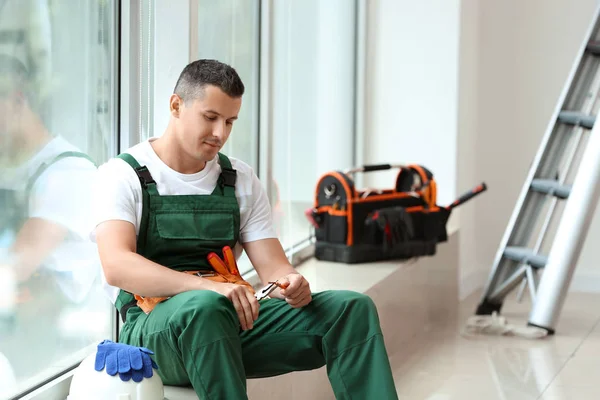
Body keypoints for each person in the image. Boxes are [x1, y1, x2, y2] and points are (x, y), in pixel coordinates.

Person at [92, 59, 399, 399]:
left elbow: (274, 268)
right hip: (154, 337)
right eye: (210, 118)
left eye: (230, 121)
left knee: (351, 309)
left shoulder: (239, 179)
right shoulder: (123, 175)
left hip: (229, 322)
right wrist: (206, 288)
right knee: (203, 309)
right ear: (176, 105)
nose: (220, 134)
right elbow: (117, 265)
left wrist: (291, 282)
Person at [0, 54, 100, 380]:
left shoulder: (67, 173)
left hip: (58, 363)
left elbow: (13, 269)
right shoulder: (12, 171)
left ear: (17, 102)